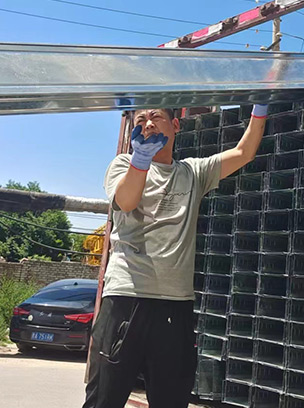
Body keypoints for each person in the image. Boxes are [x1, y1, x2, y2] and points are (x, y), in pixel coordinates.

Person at [83, 104, 268, 408]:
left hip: (175, 304)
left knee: (171, 400)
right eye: (141, 120)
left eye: (156, 116)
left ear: (176, 126)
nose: (148, 124)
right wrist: (140, 161)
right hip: (126, 298)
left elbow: (243, 152)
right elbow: (126, 201)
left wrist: (260, 108)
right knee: (104, 399)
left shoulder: (192, 172)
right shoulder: (123, 164)